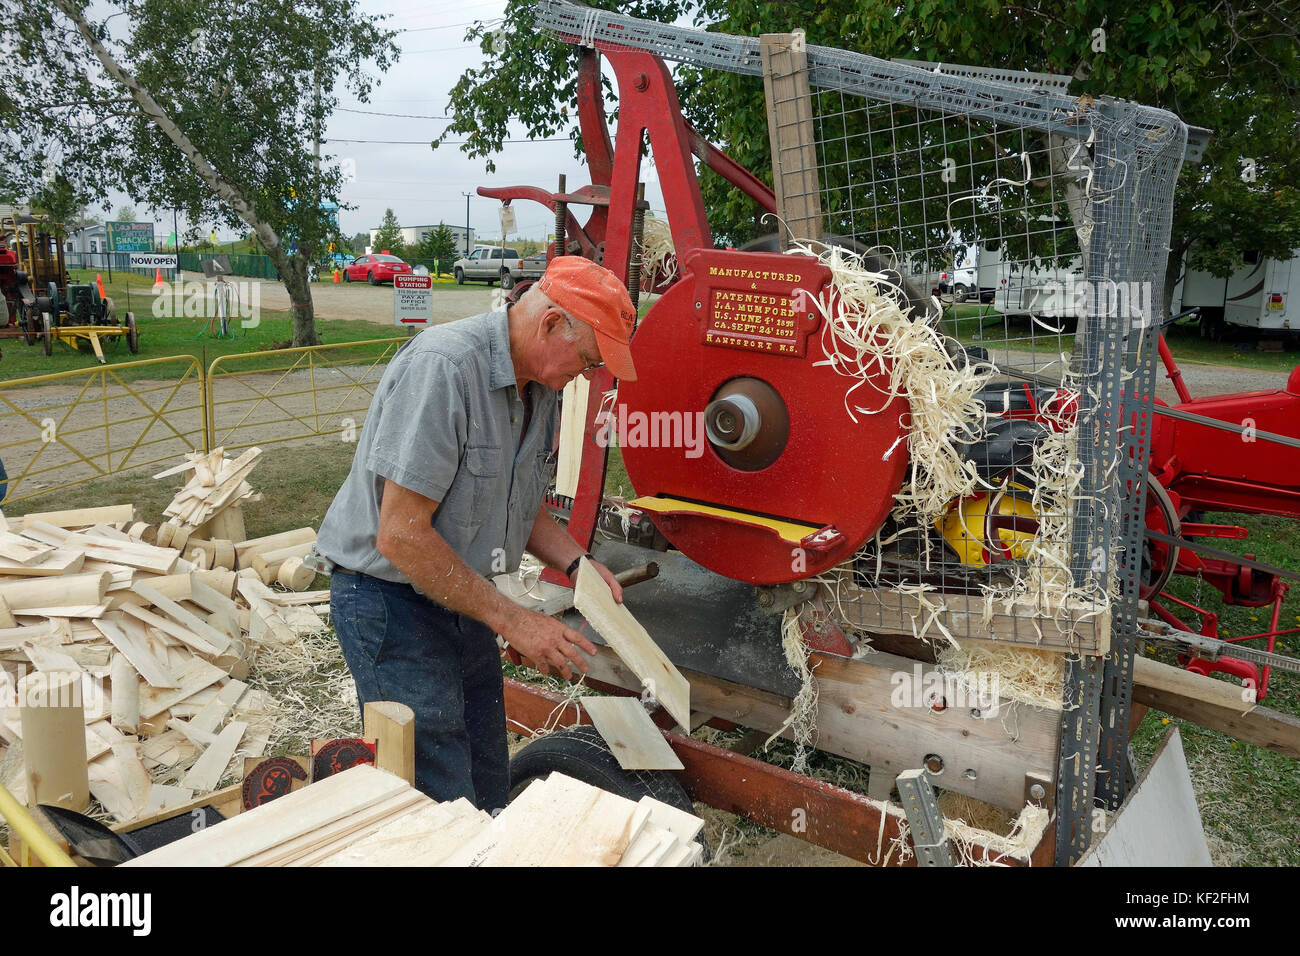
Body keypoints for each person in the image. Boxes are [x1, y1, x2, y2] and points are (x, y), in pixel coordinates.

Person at [313, 256, 638, 812]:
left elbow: (518, 498)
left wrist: (576, 563)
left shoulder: (540, 384)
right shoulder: (444, 368)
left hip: (460, 596)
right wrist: (514, 619)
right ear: (551, 323)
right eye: (586, 359)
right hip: (388, 600)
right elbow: (400, 535)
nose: (585, 375)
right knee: (440, 794)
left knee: (488, 772)